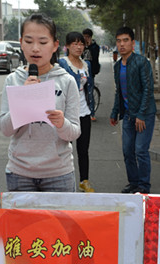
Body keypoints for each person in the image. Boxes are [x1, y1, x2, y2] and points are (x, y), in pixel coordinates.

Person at [0, 13, 81, 192]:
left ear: (55, 45)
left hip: (58, 174)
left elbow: (74, 132)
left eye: (43, 42)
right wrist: (23, 99)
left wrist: (61, 123)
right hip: (20, 173)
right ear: (21, 43)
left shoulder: (66, 81)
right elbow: (5, 129)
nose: (35, 48)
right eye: (29, 41)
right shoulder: (13, 80)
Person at [110, 26, 157, 194]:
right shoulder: (117, 66)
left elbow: (148, 89)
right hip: (128, 115)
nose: (122, 44)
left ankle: (144, 186)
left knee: (140, 151)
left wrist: (141, 114)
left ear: (133, 43)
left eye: (125, 40)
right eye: (119, 41)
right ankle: (133, 182)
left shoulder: (141, 62)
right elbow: (119, 91)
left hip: (144, 114)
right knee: (127, 151)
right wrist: (114, 112)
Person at [59, 32, 95, 193]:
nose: (79, 47)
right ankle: (64, 181)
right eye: (75, 44)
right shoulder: (62, 64)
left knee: (83, 149)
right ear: (67, 46)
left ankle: (84, 181)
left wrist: (91, 109)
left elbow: (89, 88)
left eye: (81, 44)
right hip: (67, 113)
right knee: (65, 149)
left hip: (84, 112)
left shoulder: (86, 65)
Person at [82, 28, 100, 122]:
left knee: (89, 92)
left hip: (90, 72)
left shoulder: (95, 46)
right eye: (84, 36)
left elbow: (95, 57)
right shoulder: (81, 45)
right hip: (81, 71)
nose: (85, 38)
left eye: (87, 37)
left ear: (91, 37)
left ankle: (92, 113)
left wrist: (89, 46)